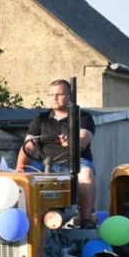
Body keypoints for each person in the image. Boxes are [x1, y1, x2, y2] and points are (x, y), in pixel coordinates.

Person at [16, 78, 96, 225]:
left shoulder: (83, 117)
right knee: (21, 179)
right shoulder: (41, 120)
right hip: (47, 164)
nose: (54, 98)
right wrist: (20, 167)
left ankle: (86, 219)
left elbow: (83, 141)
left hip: (74, 163)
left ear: (69, 97)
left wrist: (71, 142)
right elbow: (28, 146)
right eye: (51, 95)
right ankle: (27, 221)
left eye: (59, 94)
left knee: (86, 174)